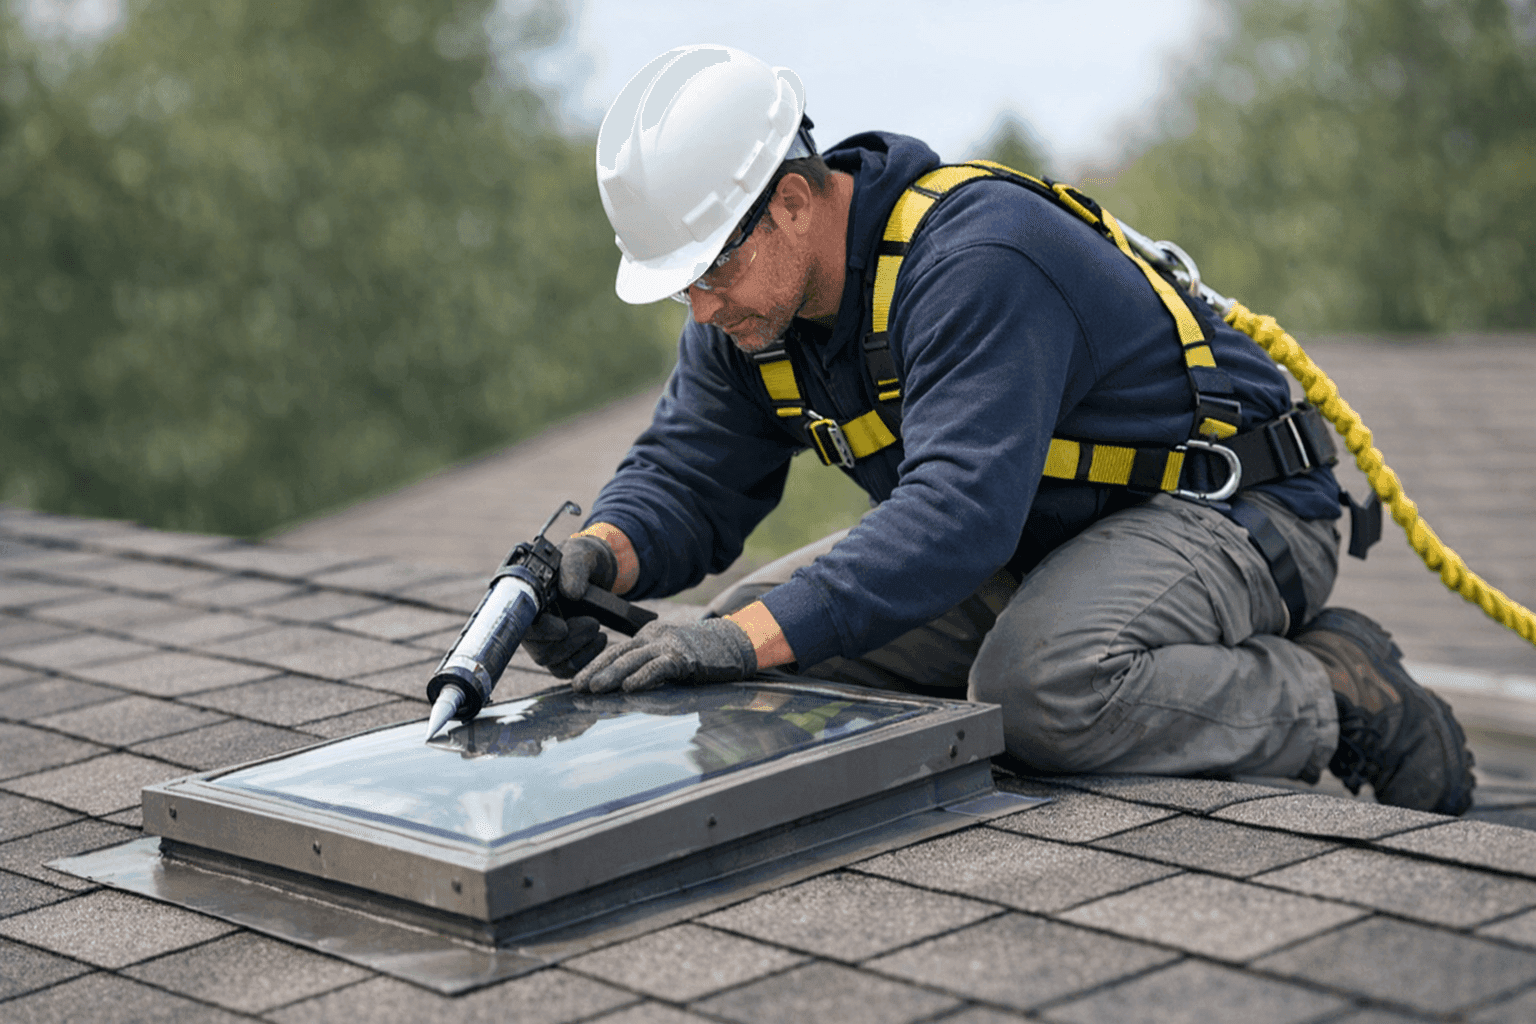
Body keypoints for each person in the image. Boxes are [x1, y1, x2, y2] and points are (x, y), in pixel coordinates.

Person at [522, 45, 1475, 815]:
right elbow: (689, 475)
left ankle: (1329, 693)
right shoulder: (752, 317)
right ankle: (1094, 651)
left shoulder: (977, 258)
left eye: (708, 272)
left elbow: (956, 517)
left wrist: (741, 639)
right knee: (742, 661)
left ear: (792, 203)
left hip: (1229, 511)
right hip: (1043, 541)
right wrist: (601, 560)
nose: (699, 307)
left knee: (1035, 694)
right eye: (679, 282)